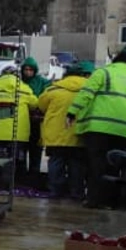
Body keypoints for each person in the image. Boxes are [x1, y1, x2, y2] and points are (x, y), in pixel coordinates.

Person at [67, 47, 126, 208]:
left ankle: (95, 200)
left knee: (96, 165)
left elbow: (86, 94)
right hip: (124, 130)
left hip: (99, 128)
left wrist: (72, 112)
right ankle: (110, 201)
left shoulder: (104, 73)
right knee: (114, 166)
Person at [39, 61, 92, 200]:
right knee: (77, 165)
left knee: (56, 162)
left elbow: (41, 105)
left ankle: (55, 192)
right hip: (79, 133)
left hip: (56, 134)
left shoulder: (52, 89)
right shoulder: (89, 91)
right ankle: (76, 193)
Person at [0, 64, 39, 184]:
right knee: (11, 161)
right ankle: (6, 187)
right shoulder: (25, 89)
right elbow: (35, 105)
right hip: (16, 133)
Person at [20, 57, 50, 181]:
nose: (28, 72)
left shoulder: (42, 82)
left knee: (36, 151)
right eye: (26, 69)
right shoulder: (19, 81)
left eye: (30, 69)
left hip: (36, 122)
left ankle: (34, 177)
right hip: (22, 120)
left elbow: (45, 98)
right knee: (21, 152)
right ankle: (21, 177)